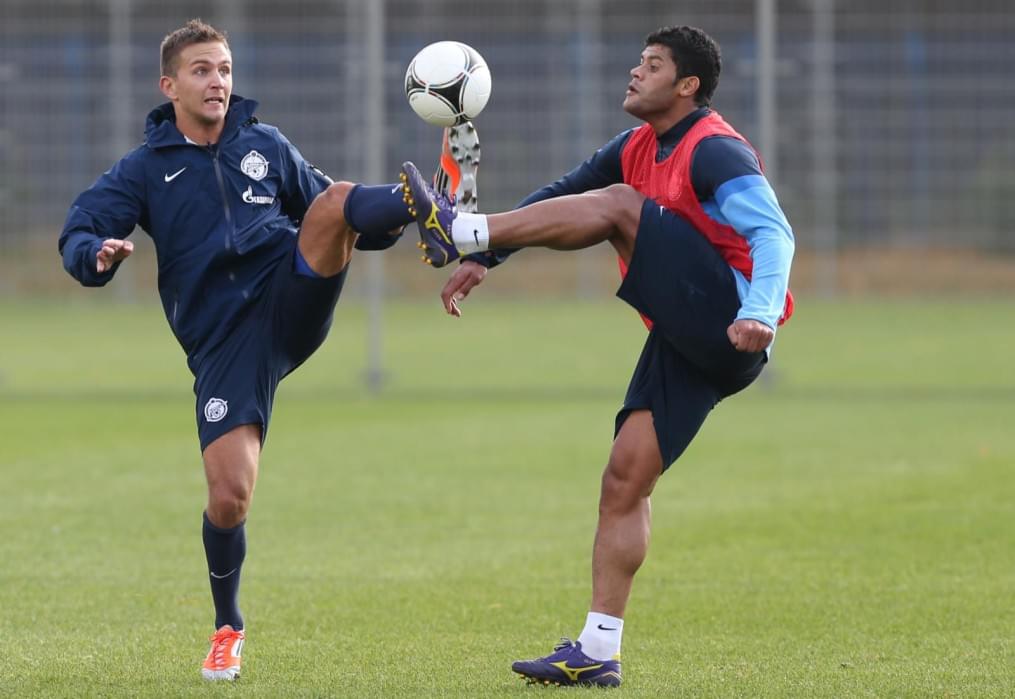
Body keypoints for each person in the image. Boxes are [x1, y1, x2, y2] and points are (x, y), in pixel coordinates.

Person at [400, 25, 795, 687]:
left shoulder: (713, 150)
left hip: (730, 319)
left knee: (619, 207)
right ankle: (597, 648)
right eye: (637, 63)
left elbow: (772, 234)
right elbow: (562, 192)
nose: (634, 73)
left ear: (687, 85)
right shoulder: (636, 146)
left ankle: (458, 223)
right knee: (623, 479)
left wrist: (759, 309)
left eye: (651, 65)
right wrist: (484, 257)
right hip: (687, 337)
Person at [58, 19, 419, 681]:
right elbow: (79, 230)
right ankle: (228, 625)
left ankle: (424, 203)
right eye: (201, 70)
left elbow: (336, 217)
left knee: (336, 196)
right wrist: (96, 256)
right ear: (169, 85)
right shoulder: (144, 169)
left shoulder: (265, 144)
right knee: (230, 496)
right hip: (224, 342)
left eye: (223, 69)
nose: (217, 81)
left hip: (289, 292)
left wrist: (397, 216)